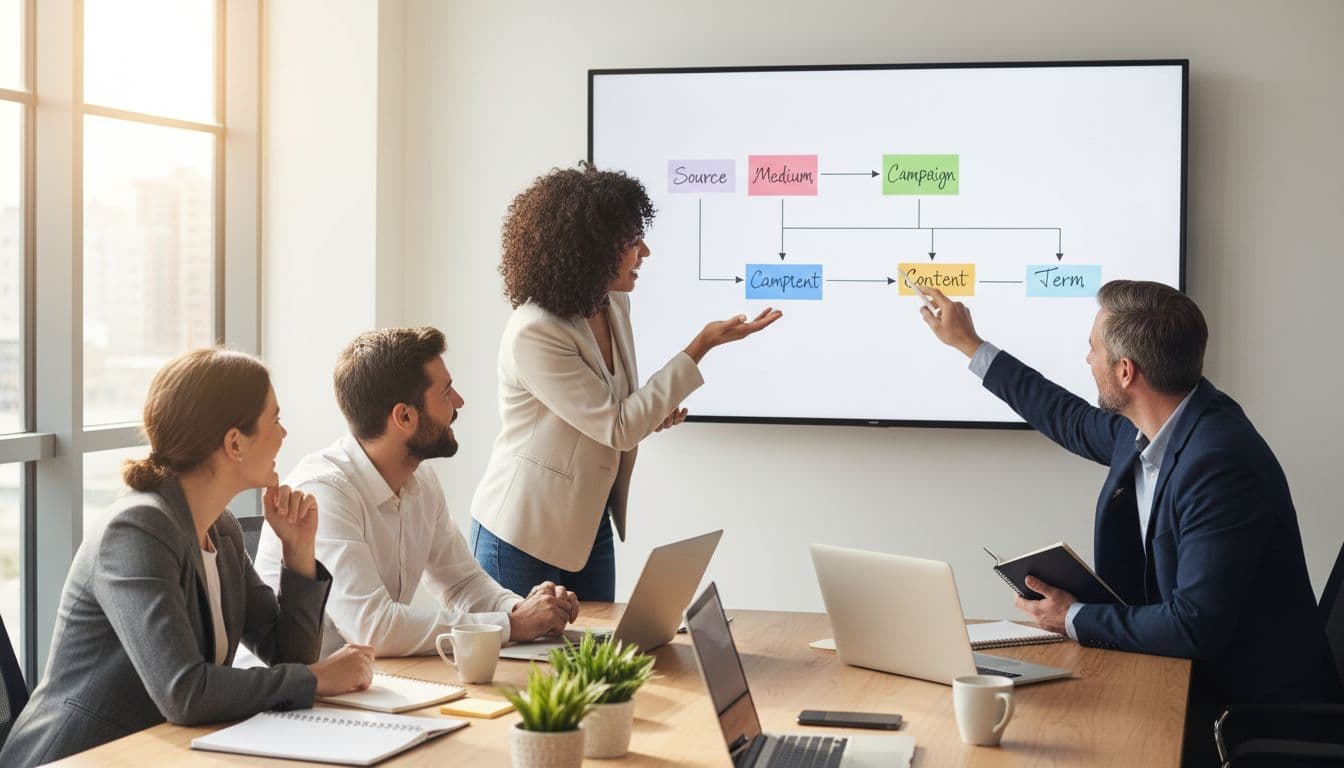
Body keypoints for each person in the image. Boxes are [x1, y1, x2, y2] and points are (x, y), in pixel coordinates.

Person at [918, 279, 1337, 762]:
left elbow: (1195, 625)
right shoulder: (1156, 424)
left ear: (1124, 371)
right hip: (1183, 680)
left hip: (1242, 716)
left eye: (1092, 348)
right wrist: (970, 345)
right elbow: (1066, 417)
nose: (1086, 359)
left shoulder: (1220, 462)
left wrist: (1072, 616)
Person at [0, 349, 375, 767]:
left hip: (165, 752)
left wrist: (298, 552)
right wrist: (319, 679)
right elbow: (184, 692)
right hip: (80, 757)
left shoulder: (221, 529)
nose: (283, 434)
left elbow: (289, 657)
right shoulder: (136, 529)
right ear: (234, 442)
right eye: (275, 419)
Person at [469, 163, 782, 600]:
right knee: (523, 668)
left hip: (588, 524)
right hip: (524, 535)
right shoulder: (535, 331)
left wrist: (651, 416)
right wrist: (701, 345)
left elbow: (609, 411)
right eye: (633, 242)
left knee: (599, 666)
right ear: (590, 249)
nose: (645, 252)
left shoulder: (612, 304)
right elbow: (617, 427)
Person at [254, 327, 579, 657]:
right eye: (446, 392)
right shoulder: (323, 494)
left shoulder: (421, 480)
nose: (459, 402)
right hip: (296, 700)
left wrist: (528, 610)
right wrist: (514, 625)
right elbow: (374, 629)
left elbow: (462, 583)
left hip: (367, 684)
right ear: (404, 416)